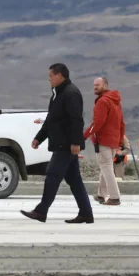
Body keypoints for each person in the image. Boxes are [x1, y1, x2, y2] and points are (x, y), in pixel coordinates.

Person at [21, 63, 94, 224]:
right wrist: (39, 138)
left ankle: (41, 210)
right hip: (62, 143)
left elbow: (76, 120)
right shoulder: (58, 94)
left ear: (60, 76)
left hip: (66, 144)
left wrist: (75, 142)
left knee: (52, 175)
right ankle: (86, 213)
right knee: (74, 180)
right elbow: (51, 120)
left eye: (51, 76)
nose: (49, 80)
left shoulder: (71, 93)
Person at [83, 76, 125, 206]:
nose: (95, 87)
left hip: (104, 140)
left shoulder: (103, 101)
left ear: (105, 85)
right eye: (94, 85)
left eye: (98, 85)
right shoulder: (115, 101)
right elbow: (121, 123)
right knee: (106, 166)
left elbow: (98, 123)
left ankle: (114, 197)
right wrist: (120, 140)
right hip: (113, 141)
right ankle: (101, 195)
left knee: (106, 167)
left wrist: (84, 135)